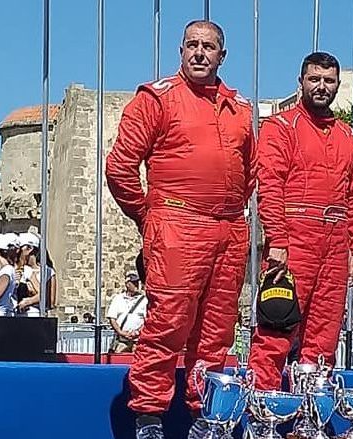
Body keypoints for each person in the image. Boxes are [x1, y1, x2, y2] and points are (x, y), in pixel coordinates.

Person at [105, 20, 254, 439]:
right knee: (167, 323)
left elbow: (250, 172)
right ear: (181, 50)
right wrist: (148, 216)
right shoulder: (157, 99)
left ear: (222, 56)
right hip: (177, 225)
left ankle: (207, 414)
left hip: (228, 228)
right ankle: (149, 416)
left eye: (209, 46)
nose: (199, 53)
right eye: (192, 44)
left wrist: (229, 213)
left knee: (217, 330)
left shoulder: (240, 109)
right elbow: (120, 168)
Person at [248, 52, 353, 390]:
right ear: (300, 82)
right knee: (276, 326)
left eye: (329, 81)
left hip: (335, 244)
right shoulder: (281, 126)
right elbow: (269, 184)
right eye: (314, 79)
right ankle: (263, 408)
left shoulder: (347, 135)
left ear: (338, 85)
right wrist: (278, 240)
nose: (321, 86)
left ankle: (311, 409)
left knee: (323, 338)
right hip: (294, 240)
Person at [107, 272, 147, 353]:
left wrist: (137, 332)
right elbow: (112, 318)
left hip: (138, 341)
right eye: (134, 283)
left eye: (137, 282)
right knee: (119, 357)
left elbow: (147, 319)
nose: (137, 285)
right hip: (122, 340)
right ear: (127, 284)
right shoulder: (118, 299)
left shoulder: (144, 300)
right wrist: (120, 332)